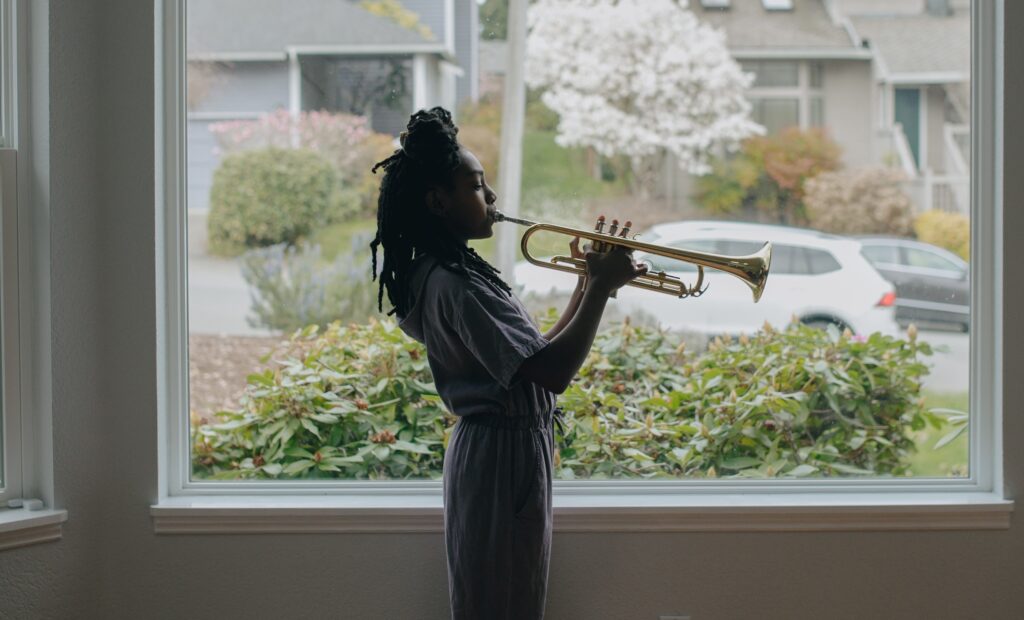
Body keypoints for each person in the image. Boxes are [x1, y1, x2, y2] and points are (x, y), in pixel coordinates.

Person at [369, 107, 645, 620]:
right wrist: (603, 288)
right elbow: (555, 373)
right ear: (437, 202)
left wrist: (587, 284)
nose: (492, 198)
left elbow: (535, 357)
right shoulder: (458, 285)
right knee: (500, 603)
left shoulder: (452, 272)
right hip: (501, 457)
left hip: (509, 450)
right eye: (476, 186)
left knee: (509, 599)